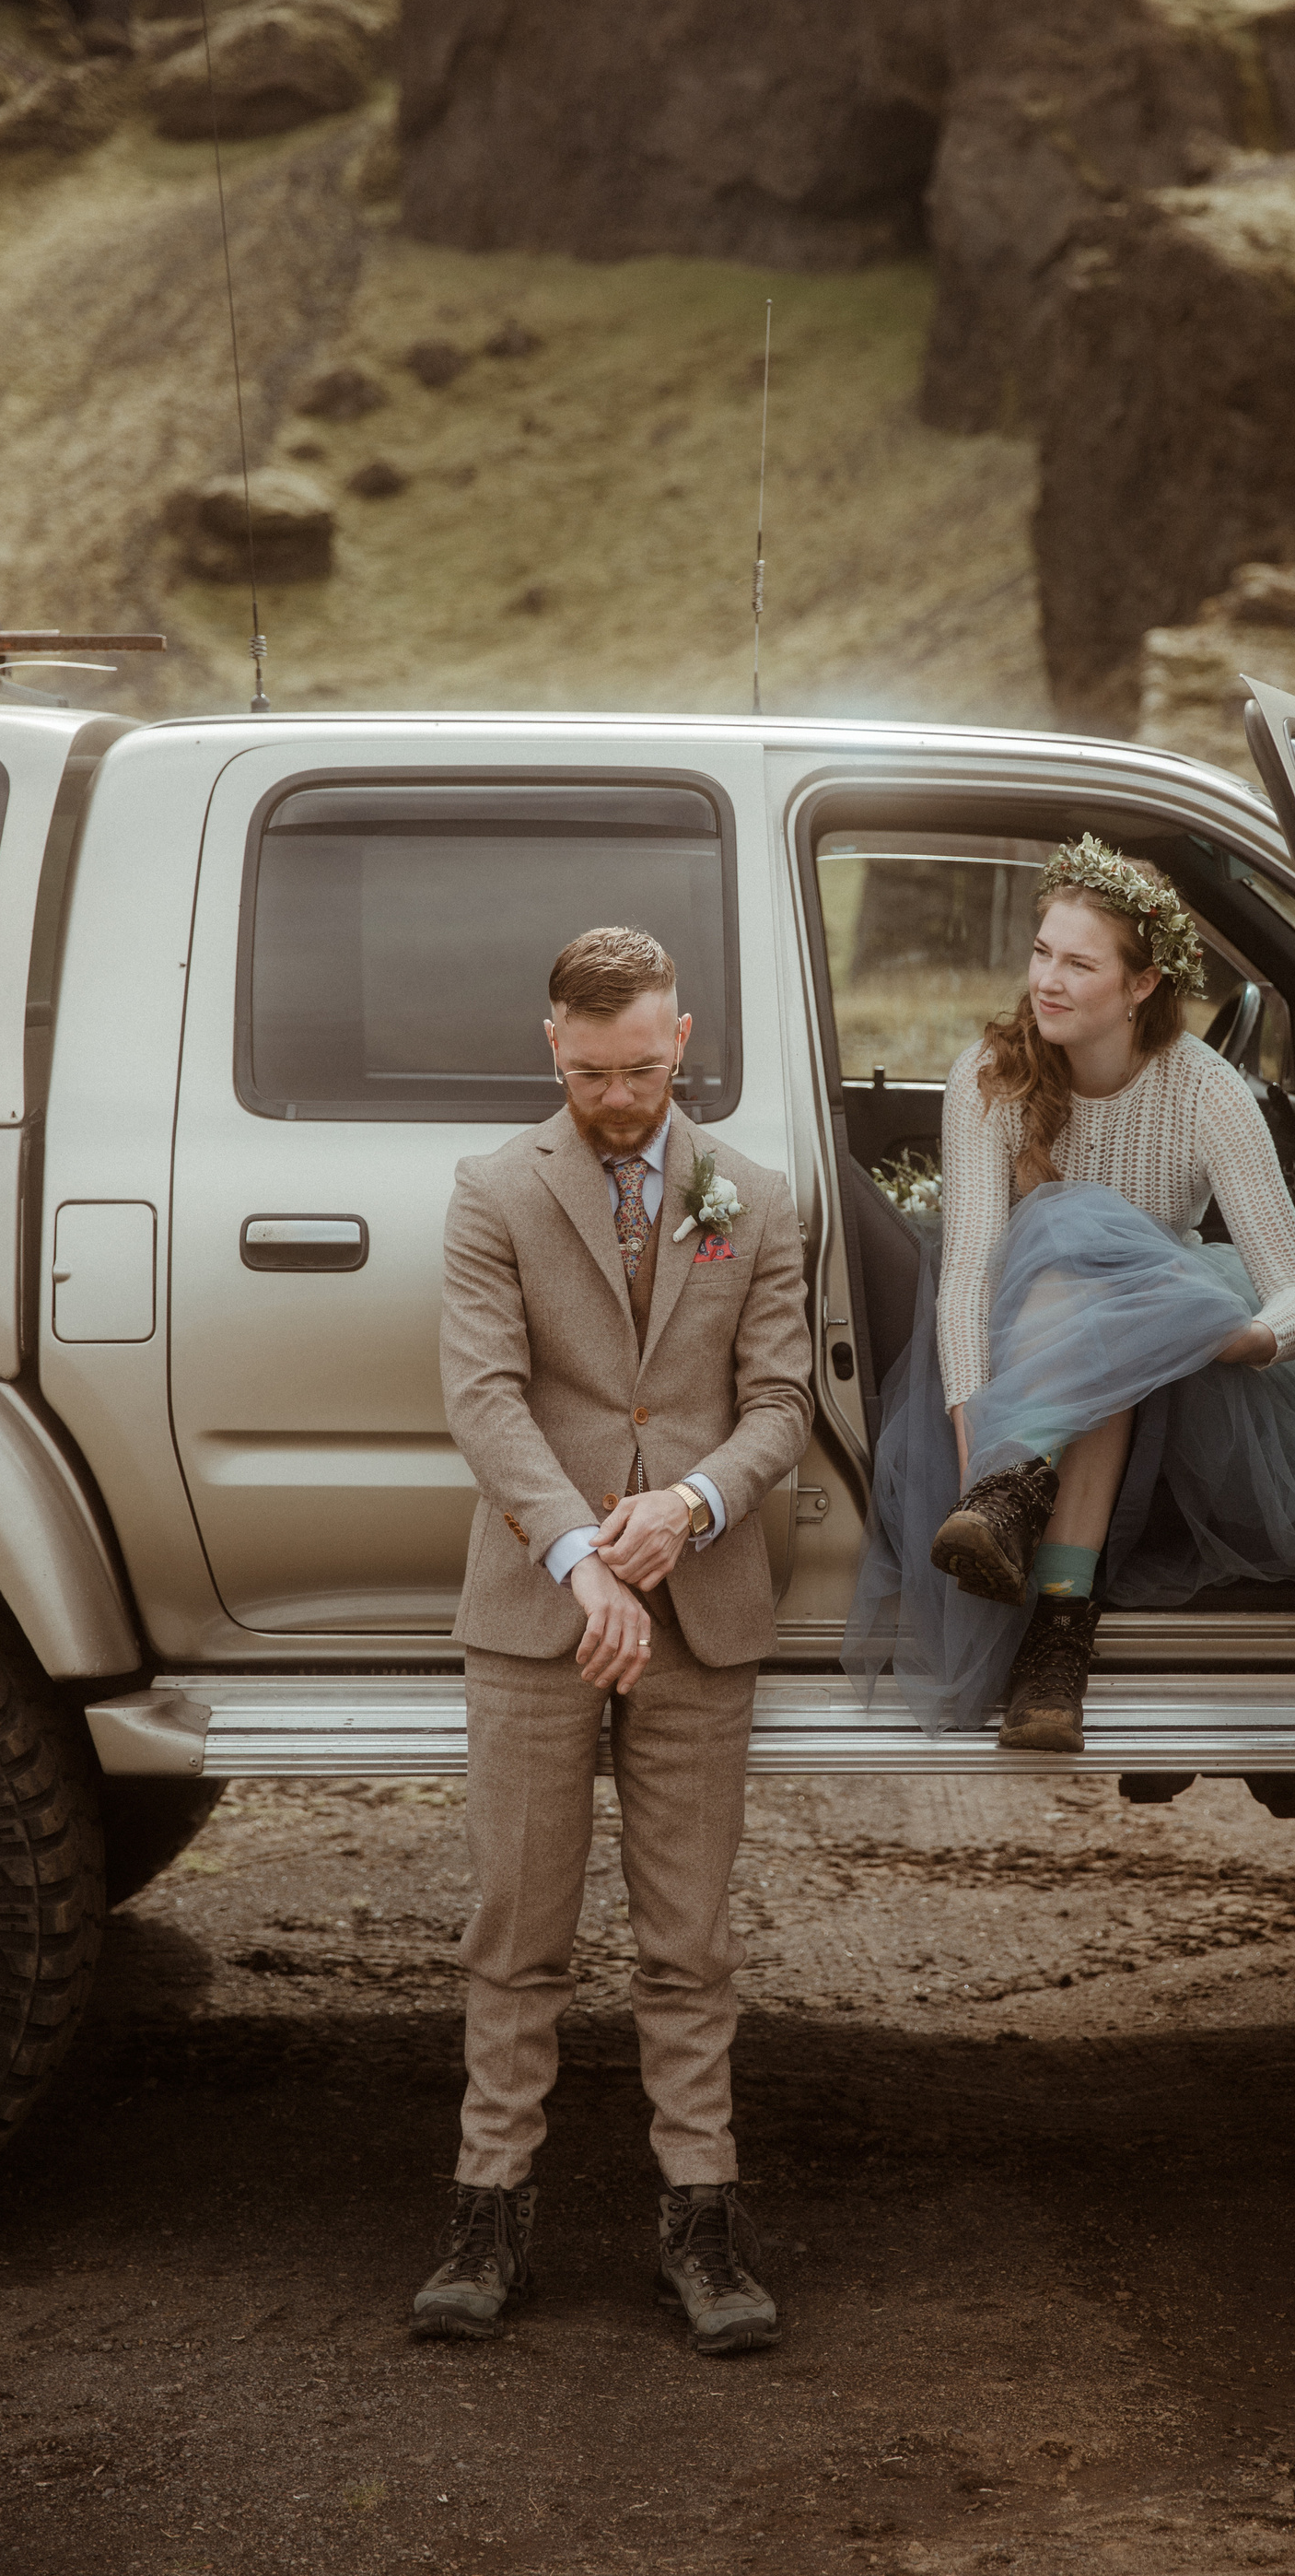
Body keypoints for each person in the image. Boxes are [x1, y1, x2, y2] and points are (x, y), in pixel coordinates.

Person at [414, 926, 812, 2356]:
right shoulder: (491, 1190)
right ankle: (487, 2214)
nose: (620, 1101)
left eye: (643, 1070)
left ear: (681, 1038)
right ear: (553, 1047)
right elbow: (484, 1396)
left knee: (688, 1940)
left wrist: (691, 1508)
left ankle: (701, 2221)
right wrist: (584, 1558)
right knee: (516, 1929)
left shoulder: (753, 1194)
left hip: (702, 1608)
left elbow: (780, 1403)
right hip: (539, 1613)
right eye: (590, 1076)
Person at [844, 836, 1295, 1751]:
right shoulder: (991, 1075)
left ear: (1142, 984)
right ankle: (1052, 1610)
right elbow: (969, 1274)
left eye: (1079, 964)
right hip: (1016, 1364)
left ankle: (1048, 1582)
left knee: (1102, 1277)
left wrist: (1243, 1339)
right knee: (1066, 1250)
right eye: (1042, 953)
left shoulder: (1205, 1093)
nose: (1047, 981)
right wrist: (978, 1449)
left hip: (1171, 1378)